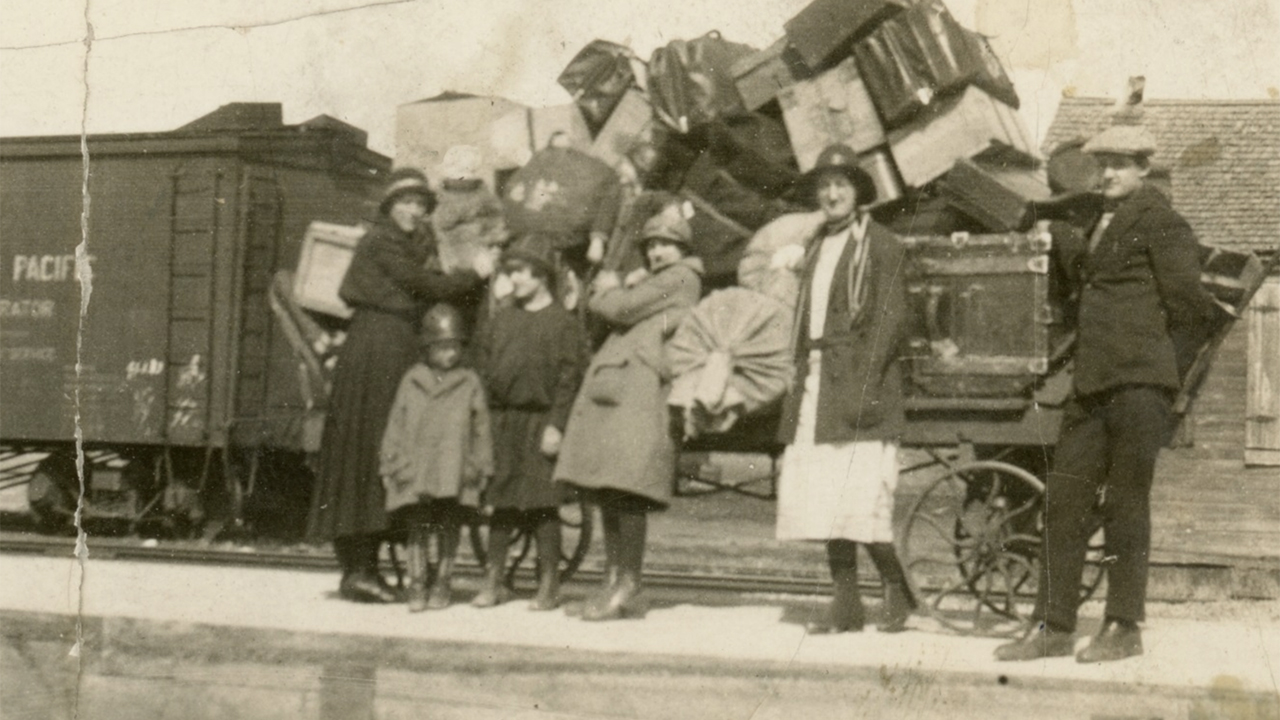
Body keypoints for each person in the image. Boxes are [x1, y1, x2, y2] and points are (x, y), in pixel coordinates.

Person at [995, 124, 1225, 663]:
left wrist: (1163, 382)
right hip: (1093, 385)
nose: (1110, 173)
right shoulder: (1100, 221)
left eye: (1121, 163)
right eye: (1104, 164)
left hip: (1139, 387)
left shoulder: (1163, 222)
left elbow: (1190, 312)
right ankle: (1053, 625)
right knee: (1064, 498)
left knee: (1125, 505)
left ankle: (1124, 626)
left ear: (1145, 167)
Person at [306, 167, 487, 604]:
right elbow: (421, 284)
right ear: (389, 207)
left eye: (421, 205)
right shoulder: (382, 242)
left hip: (391, 348)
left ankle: (367, 564)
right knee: (370, 448)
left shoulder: (407, 242)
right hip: (376, 352)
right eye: (406, 203)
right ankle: (358, 571)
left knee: (385, 449)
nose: (414, 211)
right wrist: (476, 273)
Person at [774, 143, 916, 635]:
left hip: (857, 384)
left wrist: (865, 384)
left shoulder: (881, 245)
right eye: (825, 185)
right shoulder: (815, 246)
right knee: (825, 498)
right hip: (818, 381)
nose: (832, 193)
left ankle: (896, 589)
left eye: (841, 184)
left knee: (858, 498)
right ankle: (846, 603)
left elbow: (890, 321)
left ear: (857, 192)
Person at [555, 213, 703, 621]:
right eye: (651, 245)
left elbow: (621, 308)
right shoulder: (662, 279)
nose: (657, 252)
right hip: (625, 392)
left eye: (666, 244)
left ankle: (628, 583)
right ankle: (615, 582)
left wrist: (606, 290)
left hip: (641, 395)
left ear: (684, 250)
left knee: (627, 490)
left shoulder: (680, 278)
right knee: (612, 489)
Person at [471, 234, 589, 611]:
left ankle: (548, 584)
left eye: (521, 272)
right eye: (510, 272)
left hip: (542, 423)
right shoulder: (501, 320)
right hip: (504, 421)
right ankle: (493, 581)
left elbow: (571, 381)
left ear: (541, 276)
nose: (515, 279)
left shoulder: (563, 324)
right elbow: (484, 369)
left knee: (543, 505)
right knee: (501, 503)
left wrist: (557, 425)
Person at [380, 304, 492, 612]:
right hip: (417, 469)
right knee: (417, 527)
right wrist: (392, 462)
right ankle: (417, 584)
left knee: (448, 526)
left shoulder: (469, 382)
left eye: (455, 347)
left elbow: (481, 429)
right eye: (442, 348)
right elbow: (396, 425)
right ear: (427, 349)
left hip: (453, 471)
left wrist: (479, 466)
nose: (450, 354)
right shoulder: (411, 380)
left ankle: (442, 583)